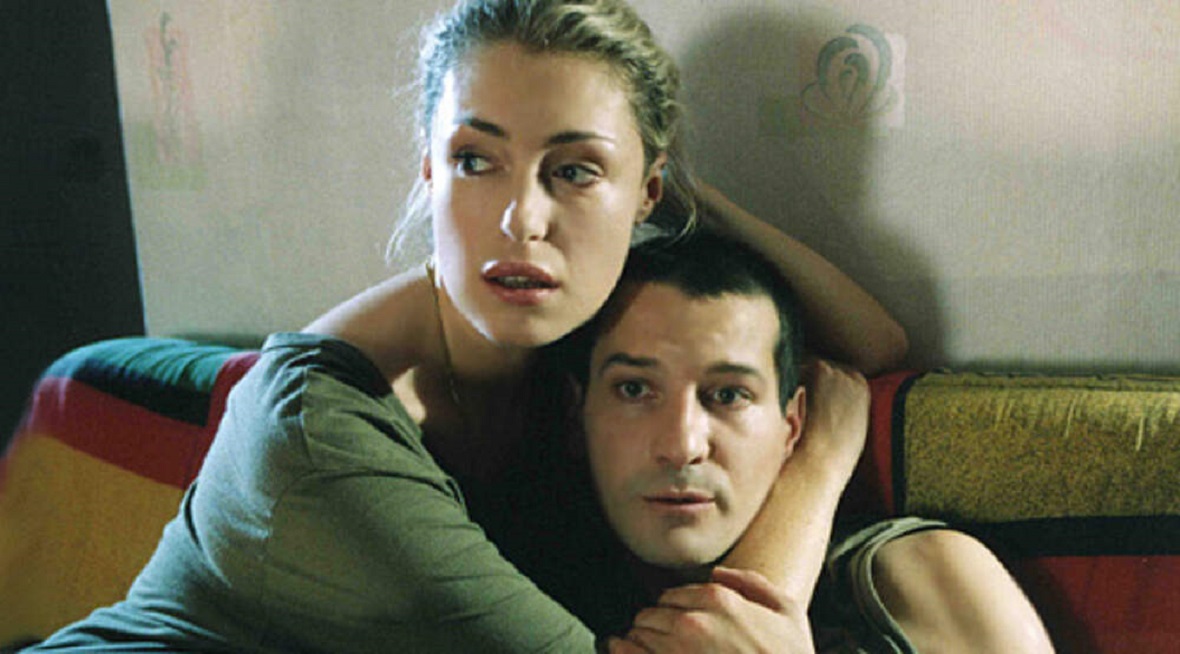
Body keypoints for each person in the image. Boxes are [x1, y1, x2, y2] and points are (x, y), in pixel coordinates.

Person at [28, 1, 906, 651]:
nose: (522, 220)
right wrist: (819, 465)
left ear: (648, 190)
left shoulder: (557, 327)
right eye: (475, 160)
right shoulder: (320, 433)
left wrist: (684, 199)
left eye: (574, 171)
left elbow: (871, 346)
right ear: (428, 171)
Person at [538, 232, 1055, 653]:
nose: (682, 445)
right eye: (634, 390)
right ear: (575, 415)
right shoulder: (526, 588)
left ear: (792, 426)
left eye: (728, 395)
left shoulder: (919, 578)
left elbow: (878, 343)